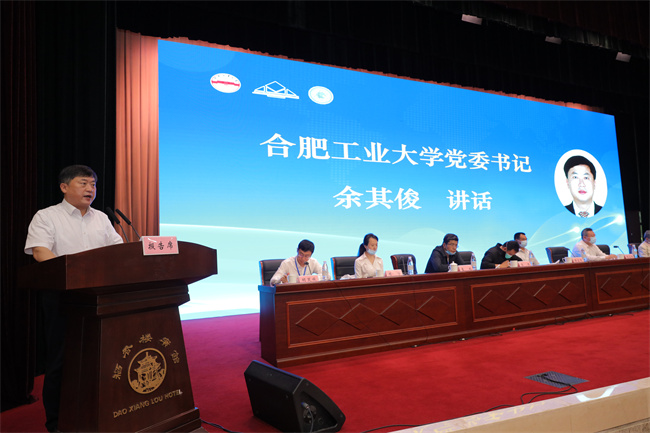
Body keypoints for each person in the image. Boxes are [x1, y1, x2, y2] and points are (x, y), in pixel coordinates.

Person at [24, 165, 124, 432]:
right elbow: (40, 252)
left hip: (100, 297)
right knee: (61, 362)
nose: (90, 189)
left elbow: (118, 251)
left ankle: (100, 415)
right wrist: (73, 275)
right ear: (64, 187)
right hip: (63, 298)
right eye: (84, 183)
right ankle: (57, 423)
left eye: (93, 184)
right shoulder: (46, 216)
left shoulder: (101, 218)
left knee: (102, 359)